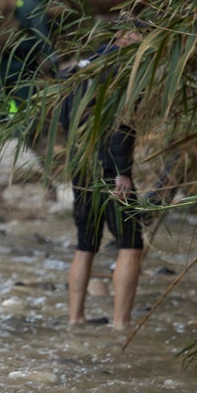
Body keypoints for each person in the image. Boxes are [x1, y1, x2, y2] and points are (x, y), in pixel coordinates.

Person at [61, 28, 144, 331]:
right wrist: (123, 171)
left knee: (85, 245)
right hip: (111, 169)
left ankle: (75, 319)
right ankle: (121, 324)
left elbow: (64, 119)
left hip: (81, 166)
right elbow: (120, 124)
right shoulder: (121, 71)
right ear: (123, 37)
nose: (142, 46)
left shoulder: (78, 69)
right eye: (139, 38)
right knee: (130, 245)